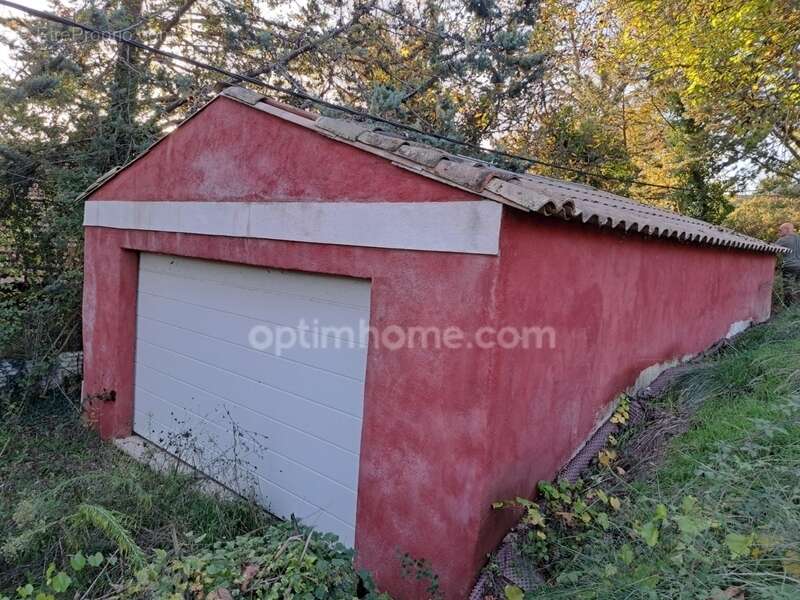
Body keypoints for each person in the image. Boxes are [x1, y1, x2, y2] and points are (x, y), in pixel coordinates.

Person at [776, 222, 800, 305]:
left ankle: (787, 308)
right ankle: (796, 308)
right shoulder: (799, 238)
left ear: (786, 229)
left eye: (780, 230)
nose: (779, 232)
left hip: (789, 266)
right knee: (798, 287)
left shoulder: (783, 239)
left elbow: (772, 249)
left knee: (788, 287)